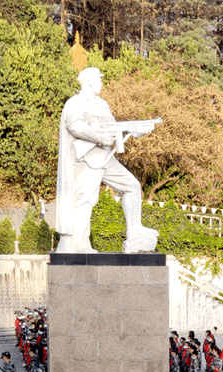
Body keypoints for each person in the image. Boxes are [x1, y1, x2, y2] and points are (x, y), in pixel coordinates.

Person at [55, 66, 159, 253]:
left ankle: (135, 231)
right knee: (85, 199)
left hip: (104, 155)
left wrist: (134, 130)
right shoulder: (75, 103)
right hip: (87, 157)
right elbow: (76, 127)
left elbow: (112, 128)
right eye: (99, 80)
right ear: (90, 81)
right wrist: (99, 138)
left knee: (132, 186)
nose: (102, 83)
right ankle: (79, 243)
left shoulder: (102, 104)